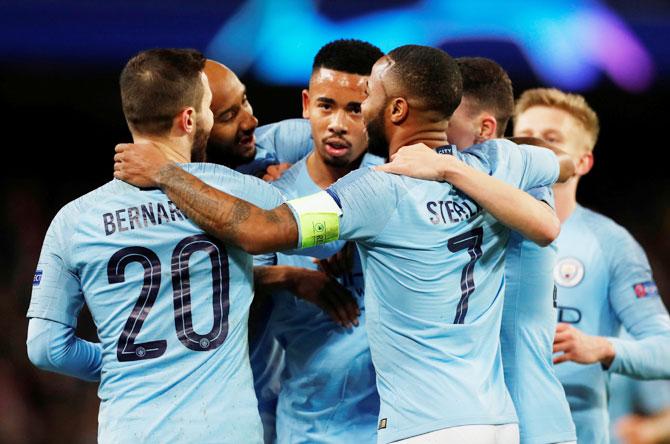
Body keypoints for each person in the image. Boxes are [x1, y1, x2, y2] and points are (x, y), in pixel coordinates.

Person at [113, 44, 564, 443]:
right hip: (497, 421)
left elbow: (261, 231)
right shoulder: (498, 162)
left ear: (398, 110)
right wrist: (455, 169)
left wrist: (165, 172)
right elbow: (555, 165)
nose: (358, 109)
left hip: (423, 424)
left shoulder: (377, 190)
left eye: (369, 97)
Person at [26, 48, 285, 443]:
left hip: (130, 431)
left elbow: (46, 349)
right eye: (209, 108)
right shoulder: (246, 194)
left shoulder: (74, 221)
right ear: (189, 119)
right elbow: (325, 226)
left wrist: (121, 361)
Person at [513, 87, 670, 444]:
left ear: (583, 162)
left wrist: (601, 348)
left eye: (551, 138)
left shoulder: (610, 244)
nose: (534, 147)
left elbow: (665, 349)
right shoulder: (480, 232)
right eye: (524, 136)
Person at [255, 38, 383, 443]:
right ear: (306, 104)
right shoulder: (270, 200)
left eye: (355, 109)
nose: (338, 124)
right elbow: (225, 285)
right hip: (310, 428)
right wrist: (289, 276)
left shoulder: (402, 185)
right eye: (327, 105)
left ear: (378, 113)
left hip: (399, 427)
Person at [446, 57, 577, 444]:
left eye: (445, 120)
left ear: (485, 128)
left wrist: (451, 169)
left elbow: (558, 165)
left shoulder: (524, 180)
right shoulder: (450, 185)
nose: (435, 134)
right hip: (480, 421)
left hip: (532, 423)